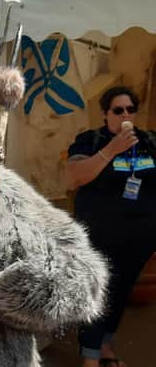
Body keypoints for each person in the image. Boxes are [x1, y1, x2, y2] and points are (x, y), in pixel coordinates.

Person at [67, 86, 156, 367]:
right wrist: (112, 150)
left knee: (120, 292)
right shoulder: (90, 141)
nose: (126, 115)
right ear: (105, 114)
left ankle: (105, 345)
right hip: (99, 236)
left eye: (131, 109)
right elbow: (75, 178)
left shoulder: (149, 142)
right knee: (98, 291)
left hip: (140, 238)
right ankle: (90, 356)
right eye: (118, 110)